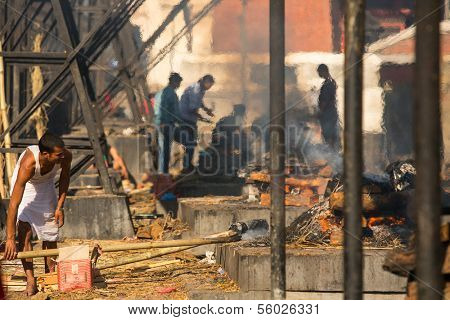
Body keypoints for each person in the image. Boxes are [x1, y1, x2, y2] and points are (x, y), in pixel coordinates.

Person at [4, 132, 72, 296]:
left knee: (50, 234)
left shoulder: (65, 156)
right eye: (58, 155)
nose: (62, 156)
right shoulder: (28, 164)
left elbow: (64, 178)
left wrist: (59, 207)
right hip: (27, 186)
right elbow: (13, 204)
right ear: (45, 154)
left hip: (46, 184)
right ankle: (31, 280)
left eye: (62, 153)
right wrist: (10, 239)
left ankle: (50, 276)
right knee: (25, 232)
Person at [178, 74, 215, 174]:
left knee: (191, 144)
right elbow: (192, 108)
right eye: (209, 85)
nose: (210, 87)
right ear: (205, 82)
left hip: (189, 119)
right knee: (190, 143)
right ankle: (186, 168)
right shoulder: (196, 90)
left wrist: (206, 109)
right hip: (185, 119)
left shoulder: (200, 90)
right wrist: (203, 118)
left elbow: (199, 102)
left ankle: (188, 166)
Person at [154, 72, 183, 174]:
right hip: (166, 124)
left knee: (162, 149)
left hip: (159, 123)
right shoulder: (171, 94)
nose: (179, 85)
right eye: (179, 83)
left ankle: (161, 172)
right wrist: (181, 122)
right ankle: (164, 173)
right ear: (175, 82)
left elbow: (156, 110)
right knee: (166, 150)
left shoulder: (160, 92)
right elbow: (172, 111)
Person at [317, 64, 340, 152]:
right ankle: (333, 153)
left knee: (328, 135)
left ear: (323, 71)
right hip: (331, 114)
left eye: (319, 71)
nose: (318, 73)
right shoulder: (331, 82)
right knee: (331, 135)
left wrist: (320, 112)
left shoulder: (327, 85)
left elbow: (324, 101)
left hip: (328, 115)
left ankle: (332, 154)